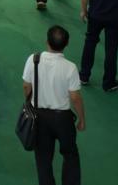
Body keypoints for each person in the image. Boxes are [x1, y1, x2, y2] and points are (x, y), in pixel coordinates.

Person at [23, 26, 84, 185]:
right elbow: (75, 97)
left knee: (43, 159)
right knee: (70, 154)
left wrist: (30, 103)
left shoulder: (34, 59)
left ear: (46, 42)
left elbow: (26, 86)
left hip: (40, 118)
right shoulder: (70, 67)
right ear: (67, 43)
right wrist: (82, 119)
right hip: (63, 119)